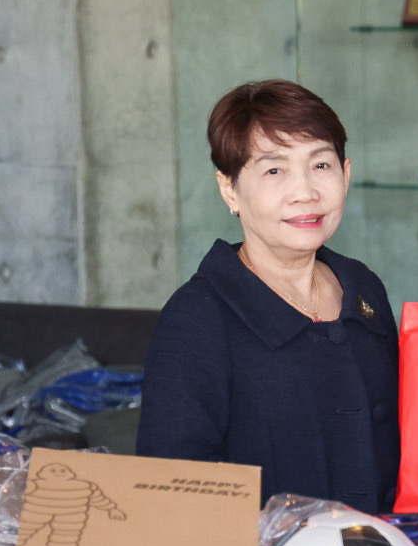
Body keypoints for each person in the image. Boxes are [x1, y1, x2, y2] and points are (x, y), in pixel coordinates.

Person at [137, 80, 398, 513]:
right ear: (229, 189)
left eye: (321, 165)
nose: (305, 192)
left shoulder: (362, 287)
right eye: (274, 171)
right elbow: (173, 496)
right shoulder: (197, 319)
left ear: (346, 174)